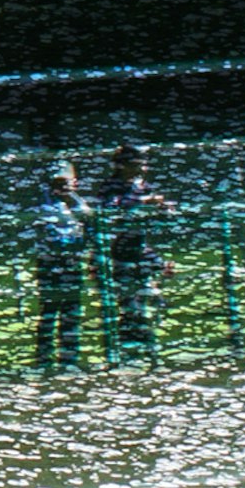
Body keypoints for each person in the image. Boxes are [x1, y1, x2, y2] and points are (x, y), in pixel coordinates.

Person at [98, 147, 169, 364]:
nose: (141, 169)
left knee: (153, 300)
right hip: (120, 252)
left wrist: (162, 210)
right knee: (130, 307)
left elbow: (155, 221)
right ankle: (129, 353)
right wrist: (145, 203)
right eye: (136, 164)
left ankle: (149, 349)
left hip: (141, 249)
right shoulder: (110, 187)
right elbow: (111, 210)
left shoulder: (141, 186)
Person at [24, 162, 89, 377]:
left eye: (65, 182)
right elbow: (49, 236)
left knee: (72, 312)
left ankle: (69, 359)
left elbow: (91, 220)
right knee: (49, 312)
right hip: (51, 265)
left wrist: (73, 199)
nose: (60, 187)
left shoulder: (74, 202)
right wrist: (74, 245)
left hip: (72, 263)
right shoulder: (43, 205)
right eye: (56, 183)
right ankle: (44, 360)